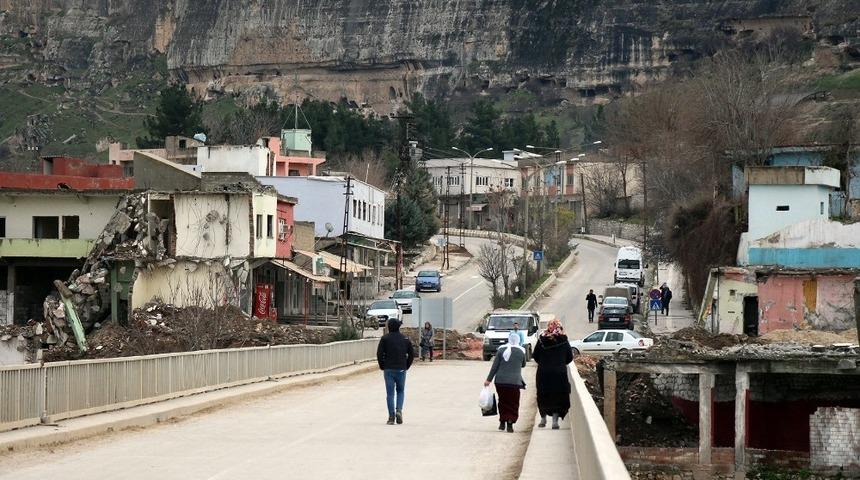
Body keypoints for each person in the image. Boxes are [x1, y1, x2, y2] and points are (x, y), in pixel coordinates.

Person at [532, 319, 573, 429]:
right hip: (559, 373)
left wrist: (544, 363)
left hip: (543, 372)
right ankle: (555, 420)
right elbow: (570, 357)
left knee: (543, 394)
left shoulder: (542, 339)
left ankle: (543, 418)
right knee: (558, 395)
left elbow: (535, 355)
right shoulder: (564, 340)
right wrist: (560, 364)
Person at [484, 332, 527, 433]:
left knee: (503, 401)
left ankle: (502, 422)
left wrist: (488, 380)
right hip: (514, 382)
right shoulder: (521, 351)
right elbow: (523, 364)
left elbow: (494, 367)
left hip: (500, 381)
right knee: (513, 402)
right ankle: (510, 423)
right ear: (518, 340)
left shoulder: (501, 350)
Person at [377, 319, 415, 425]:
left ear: (389, 327)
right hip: (401, 368)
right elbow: (411, 354)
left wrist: (382, 366)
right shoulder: (405, 339)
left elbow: (379, 354)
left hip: (388, 369)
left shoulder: (385, 339)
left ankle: (391, 416)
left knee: (390, 394)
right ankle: (399, 410)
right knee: (400, 391)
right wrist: (407, 365)